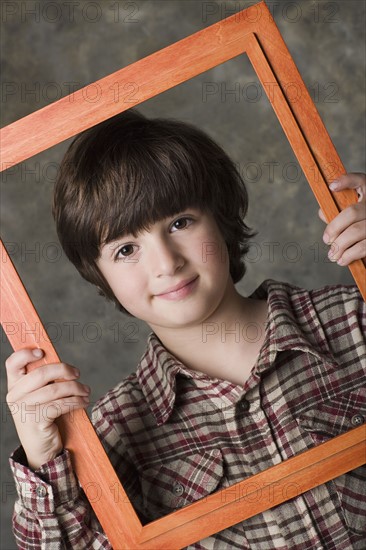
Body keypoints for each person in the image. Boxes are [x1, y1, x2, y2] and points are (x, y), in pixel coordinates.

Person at [5, 110, 366, 549]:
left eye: (180, 223)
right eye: (126, 250)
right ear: (100, 276)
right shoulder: (115, 434)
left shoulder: (352, 322)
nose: (166, 263)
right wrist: (44, 460)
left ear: (221, 217)